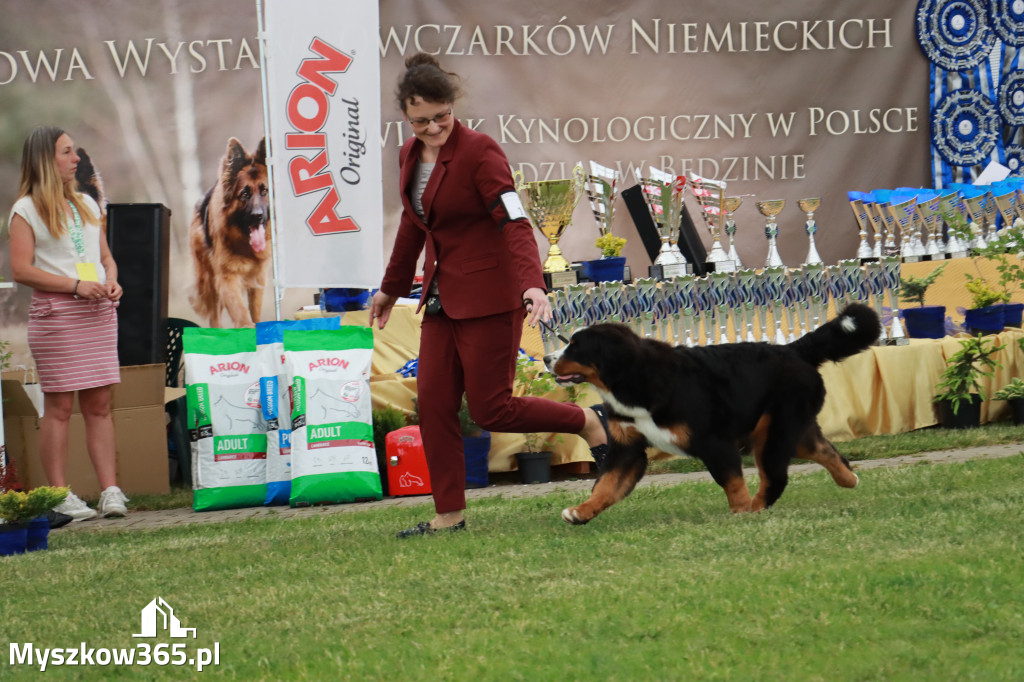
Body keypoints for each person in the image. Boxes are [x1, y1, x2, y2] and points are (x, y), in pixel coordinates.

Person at [369, 54, 608, 537]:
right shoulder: (407, 157)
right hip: (440, 299)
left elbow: (515, 223)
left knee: (490, 408)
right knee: (434, 405)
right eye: (422, 121)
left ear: (452, 106)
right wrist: (390, 289)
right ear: (405, 117)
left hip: (491, 297)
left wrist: (532, 283)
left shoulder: (481, 152)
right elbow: (413, 230)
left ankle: (588, 421)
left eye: (442, 116)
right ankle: (449, 515)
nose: (434, 128)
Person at [8, 126, 128, 521]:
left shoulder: (88, 205)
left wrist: (111, 281)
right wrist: (76, 286)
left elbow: (105, 256)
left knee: (99, 405)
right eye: (66, 152)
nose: (76, 159)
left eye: (74, 152)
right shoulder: (24, 210)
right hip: (57, 317)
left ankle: (111, 492)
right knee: (58, 407)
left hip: (97, 314)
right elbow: (22, 270)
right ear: (46, 159)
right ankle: (59, 496)